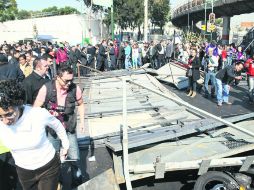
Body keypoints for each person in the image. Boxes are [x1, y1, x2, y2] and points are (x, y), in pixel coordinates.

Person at [0, 80, 69, 190]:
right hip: (23, 171)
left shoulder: (37, 114)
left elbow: (57, 125)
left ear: (18, 104)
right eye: (0, 117)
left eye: (9, 114)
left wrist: (65, 145)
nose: (4, 121)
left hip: (48, 167)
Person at [34, 65, 85, 188]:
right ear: (58, 77)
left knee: (74, 159)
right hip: (52, 131)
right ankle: (58, 184)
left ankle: (77, 184)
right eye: (66, 80)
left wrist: (82, 122)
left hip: (69, 129)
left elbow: (81, 104)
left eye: (71, 80)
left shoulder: (74, 88)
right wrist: (48, 114)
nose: (69, 83)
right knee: (54, 160)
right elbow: (35, 108)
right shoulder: (46, 88)